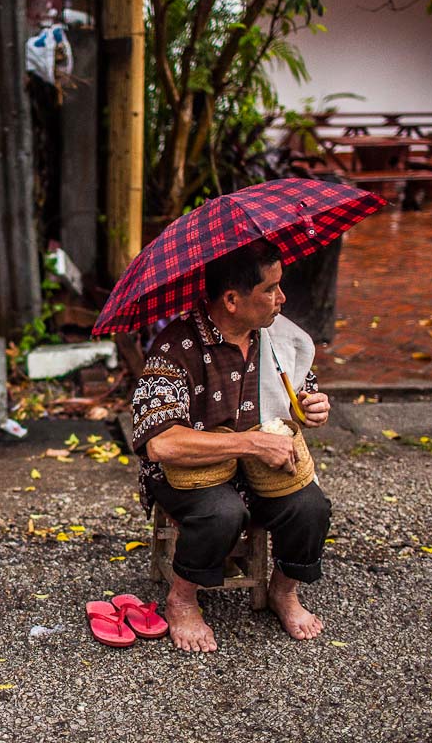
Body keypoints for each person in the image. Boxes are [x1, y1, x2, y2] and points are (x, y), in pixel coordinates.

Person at [130, 238, 332, 653]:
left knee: (311, 506)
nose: (282, 298)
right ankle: (182, 599)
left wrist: (313, 407)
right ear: (232, 299)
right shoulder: (175, 347)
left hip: (259, 467)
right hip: (189, 472)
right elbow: (161, 445)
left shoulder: (279, 339)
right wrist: (252, 443)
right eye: (270, 289)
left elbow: (299, 397)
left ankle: (283, 591)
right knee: (223, 511)